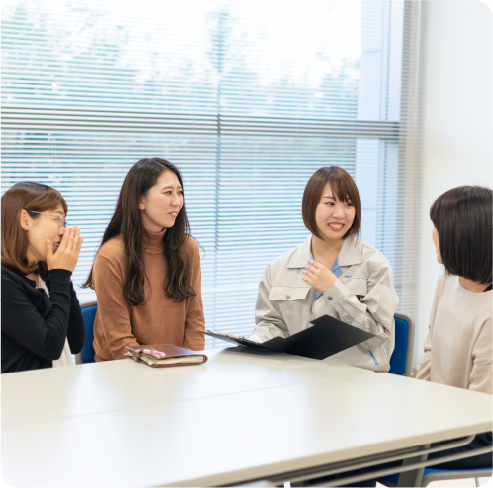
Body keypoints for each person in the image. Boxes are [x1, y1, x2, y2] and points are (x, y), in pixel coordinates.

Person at [326, 185, 493, 488]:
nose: (433, 234)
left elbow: (481, 408)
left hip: (478, 433)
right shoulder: (449, 280)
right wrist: (411, 407)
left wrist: (415, 423)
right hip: (439, 414)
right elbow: (431, 356)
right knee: (336, 434)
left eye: (438, 227)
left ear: (463, 237)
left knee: (352, 450)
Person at [249, 166, 399, 371]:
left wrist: (335, 290)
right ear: (310, 206)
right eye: (330, 203)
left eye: (349, 204)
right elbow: (271, 324)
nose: (340, 214)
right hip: (300, 375)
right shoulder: (279, 266)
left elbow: (377, 338)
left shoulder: (375, 265)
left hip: (357, 376)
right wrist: (254, 342)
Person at [83, 158, 205, 361]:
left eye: (180, 192)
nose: (177, 201)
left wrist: (188, 361)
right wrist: (164, 368)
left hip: (177, 367)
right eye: (168, 192)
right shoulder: (111, 256)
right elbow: (120, 342)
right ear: (140, 200)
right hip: (123, 369)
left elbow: (195, 321)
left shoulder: (187, 247)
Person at [0, 182, 84, 374]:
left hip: (53, 384)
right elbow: (51, 347)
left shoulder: (45, 271)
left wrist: (63, 278)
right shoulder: (4, 280)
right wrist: (60, 275)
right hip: (19, 390)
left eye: (64, 222)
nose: (63, 231)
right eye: (57, 219)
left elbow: (75, 341)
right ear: (25, 219)